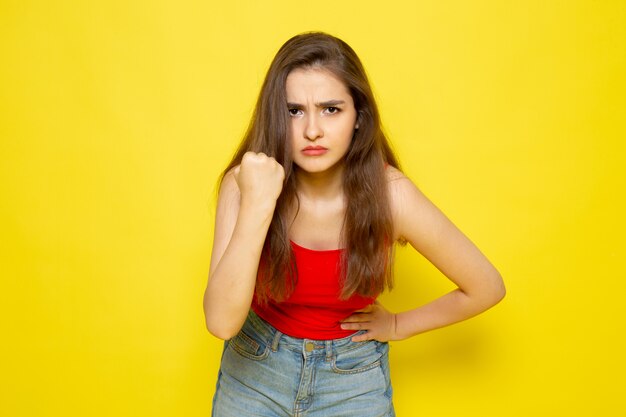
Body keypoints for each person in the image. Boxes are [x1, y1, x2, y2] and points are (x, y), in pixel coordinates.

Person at [203, 31, 505, 417]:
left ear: (359, 118)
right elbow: (221, 322)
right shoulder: (243, 183)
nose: (313, 130)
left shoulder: (392, 195)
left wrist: (397, 325)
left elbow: (486, 286)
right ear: (275, 117)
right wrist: (258, 205)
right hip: (254, 369)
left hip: (352, 378)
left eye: (331, 109)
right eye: (294, 111)